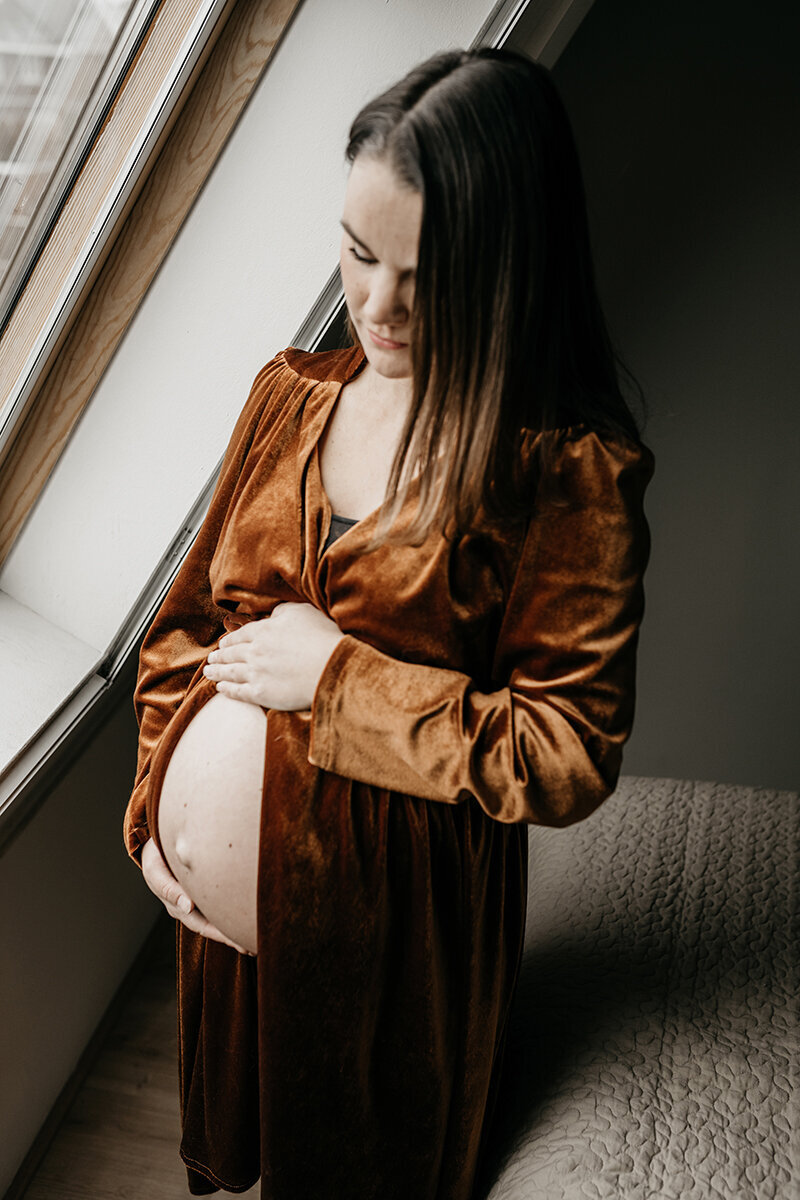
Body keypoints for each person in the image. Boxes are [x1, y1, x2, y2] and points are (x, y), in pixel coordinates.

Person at [124, 46, 654, 1200]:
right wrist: (156, 823)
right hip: (220, 948)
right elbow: (178, 635)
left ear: (512, 268)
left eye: (425, 272)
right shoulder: (288, 394)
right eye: (358, 255)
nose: (376, 304)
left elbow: (562, 754)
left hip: (393, 972)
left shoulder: (562, 475)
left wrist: (339, 681)